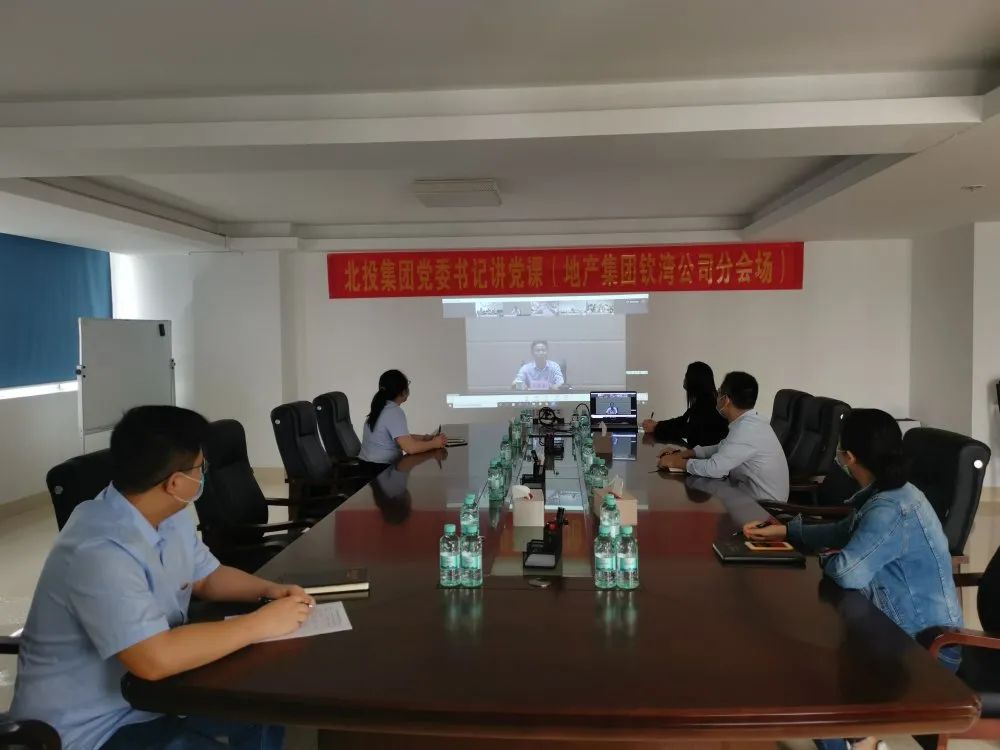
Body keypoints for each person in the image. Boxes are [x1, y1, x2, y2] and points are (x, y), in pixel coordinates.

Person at [11, 405, 314, 750]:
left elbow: (208, 577)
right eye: (201, 468)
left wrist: (270, 590)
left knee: (259, 707)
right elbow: (154, 660)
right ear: (176, 482)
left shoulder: (167, 514)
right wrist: (261, 624)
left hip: (151, 698)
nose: (204, 475)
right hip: (89, 729)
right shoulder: (98, 549)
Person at [742, 409, 963, 750]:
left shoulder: (892, 508)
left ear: (849, 457)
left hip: (927, 649)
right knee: (809, 650)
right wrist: (787, 531)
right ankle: (860, 738)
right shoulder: (888, 494)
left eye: (839, 451)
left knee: (815, 668)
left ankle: (861, 741)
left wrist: (825, 557)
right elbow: (845, 530)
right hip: (895, 628)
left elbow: (847, 571)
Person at [658, 371, 789, 503]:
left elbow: (714, 469)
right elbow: (722, 447)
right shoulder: (750, 423)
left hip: (764, 507)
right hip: (748, 495)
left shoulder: (746, 430)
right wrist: (689, 453)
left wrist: (676, 463)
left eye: (719, 392)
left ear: (725, 400)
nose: (717, 396)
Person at [358, 369, 448, 473]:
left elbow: (400, 437)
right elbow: (411, 448)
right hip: (381, 472)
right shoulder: (393, 411)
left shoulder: (381, 408)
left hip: (367, 467)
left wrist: (425, 438)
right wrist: (435, 443)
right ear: (403, 391)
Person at [641, 361, 728, 448]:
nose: (684, 380)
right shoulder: (704, 400)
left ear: (694, 381)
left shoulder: (708, 404)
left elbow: (687, 430)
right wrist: (657, 424)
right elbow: (683, 420)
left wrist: (657, 427)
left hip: (706, 455)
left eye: (686, 376)